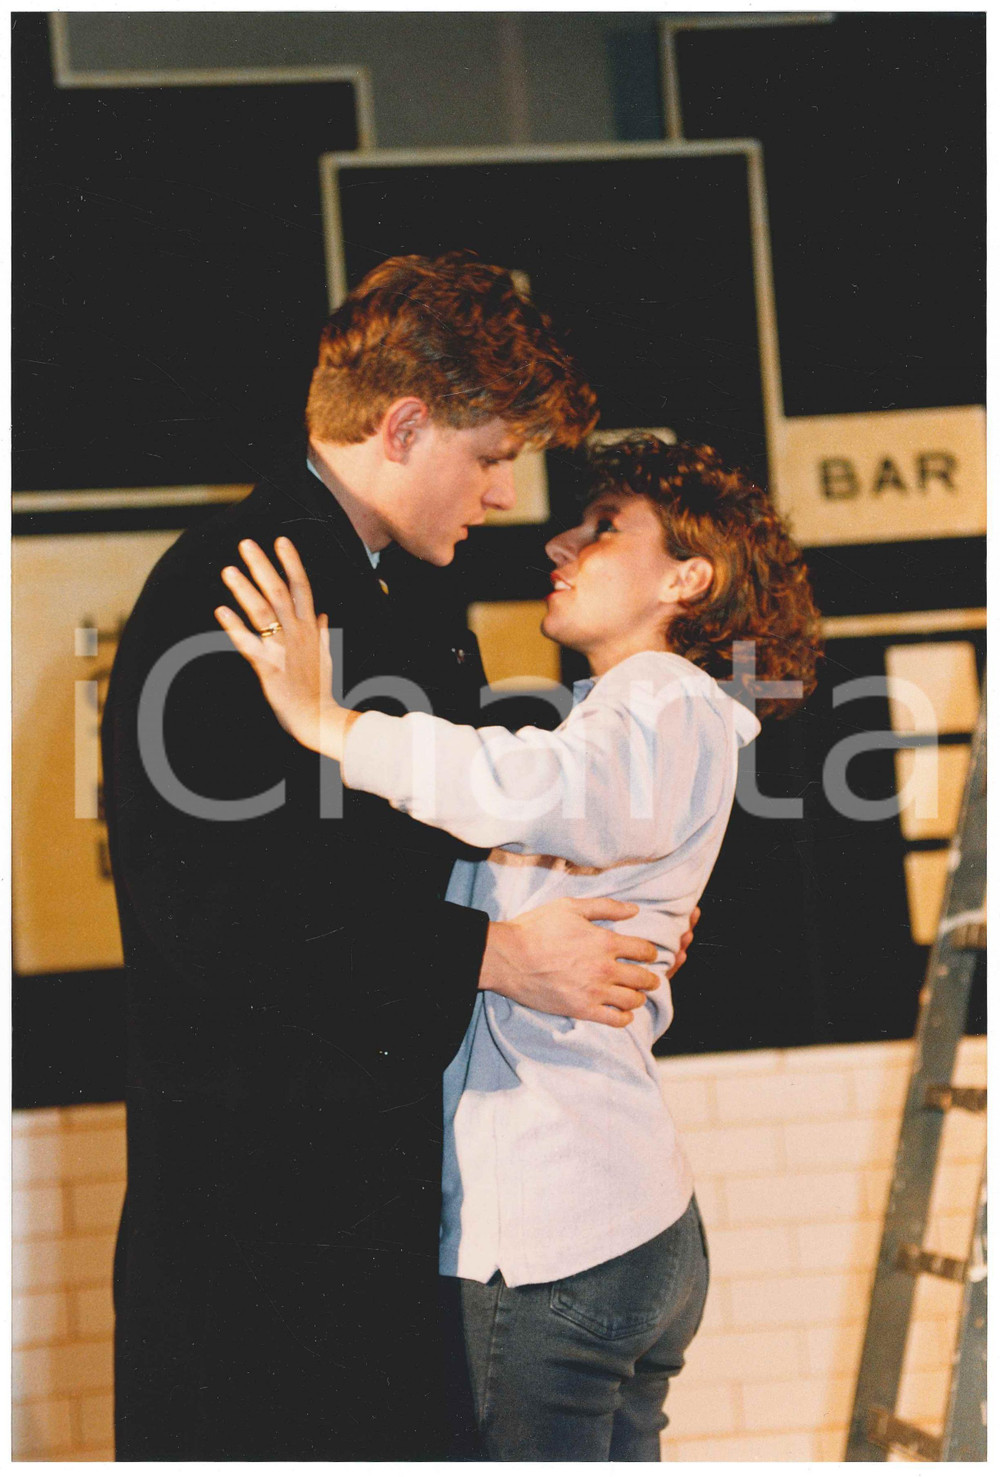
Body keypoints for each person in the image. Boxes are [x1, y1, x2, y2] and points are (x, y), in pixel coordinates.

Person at [101, 253, 685, 1460]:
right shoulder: (237, 583)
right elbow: (215, 910)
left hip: (370, 1205)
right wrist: (495, 955)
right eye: (488, 457)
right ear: (405, 424)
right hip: (257, 1231)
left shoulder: (405, 591)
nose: (502, 496)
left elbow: (457, 794)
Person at [217, 434, 823, 1460]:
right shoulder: (658, 720)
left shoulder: (660, 698)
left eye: (601, 528)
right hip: (621, 1224)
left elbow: (528, 789)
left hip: (550, 1240)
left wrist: (328, 722)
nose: (557, 541)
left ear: (686, 577)